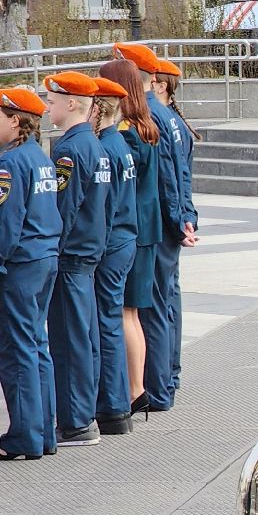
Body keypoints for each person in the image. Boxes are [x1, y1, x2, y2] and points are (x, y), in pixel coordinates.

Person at [116, 43, 197, 414]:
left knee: (154, 309)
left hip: (159, 226)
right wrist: (186, 216)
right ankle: (168, 379)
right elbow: (182, 175)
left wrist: (179, 220)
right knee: (166, 304)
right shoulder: (167, 115)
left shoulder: (151, 115)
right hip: (170, 222)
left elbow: (167, 177)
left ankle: (159, 388)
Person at [0, 86, 61, 460]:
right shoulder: (38, 157)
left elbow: (3, 223)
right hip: (43, 258)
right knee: (36, 346)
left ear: (15, 121)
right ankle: (43, 433)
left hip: (19, 265)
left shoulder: (9, 164)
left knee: (16, 351)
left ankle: (24, 437)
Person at [40, 72, 112, 448]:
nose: (46, 107)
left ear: (71, 104)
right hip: (87, 255)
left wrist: (52, 251)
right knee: (84, 339)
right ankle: (83, 416)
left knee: (69, 343)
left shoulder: (70, 150)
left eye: (52, 101)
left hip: (71, 258)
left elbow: (63, 210)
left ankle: (75, 422)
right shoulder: (93, 145)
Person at [103, 57, 161, 413]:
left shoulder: (127, 133)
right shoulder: (145, 127)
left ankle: (135, 389)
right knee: (133, 314)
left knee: (126, 313)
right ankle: (137, 388)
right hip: (146, 230)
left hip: (133, 232)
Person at [91, 76, 139, 437]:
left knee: (107, 323)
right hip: (124, 240)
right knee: (112, 319)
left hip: (111, 245)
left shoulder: (106, 148)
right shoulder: (118, 143)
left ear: (98, 109)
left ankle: (113, 405)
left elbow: (102, 208)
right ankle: (117, 403)